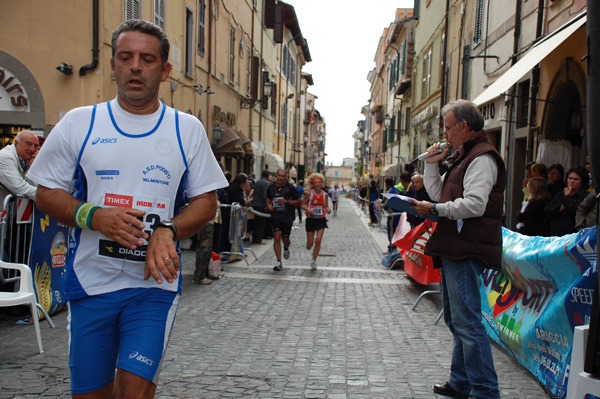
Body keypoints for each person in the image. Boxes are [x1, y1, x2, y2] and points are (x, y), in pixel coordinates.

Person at [27, 20, 228, 399]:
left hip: (153, 286)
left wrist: (167, 229)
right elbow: (46, 194)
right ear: (114, 64)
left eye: (147, 59)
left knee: (134, 392)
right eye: (126, 57)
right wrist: (94, 216)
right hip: (91, 282)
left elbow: (206, 202)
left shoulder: (187, 129)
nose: (136, 66)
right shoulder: (79, 123)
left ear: (165, 70)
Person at [411, 99, 505, 399]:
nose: (445, 133)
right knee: (457, 319)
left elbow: (475, 205)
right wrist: (431, 164)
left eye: (448, 127)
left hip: (467, 246)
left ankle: (485, 390)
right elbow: (439, 192)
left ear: (465, 126)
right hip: (456, 245)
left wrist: (436, 209)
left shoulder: (481, 158)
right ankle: (462, 381)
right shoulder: (464, 156)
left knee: (467, 321)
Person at [266, 169, 302, 270]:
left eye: (283, 176)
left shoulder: (290, 188)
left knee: (285, 239)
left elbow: (299, 201)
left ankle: (286, 247)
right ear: (276, 176)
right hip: (276, 216)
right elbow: (268, 198)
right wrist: (268, 205)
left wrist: (286, 202)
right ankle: (278, 262)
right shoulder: (271, 188)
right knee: (277, 236)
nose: (281, 178)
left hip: (287, 217)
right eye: (279, 176)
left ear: (285, 177)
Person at [544, 166, 589, 236]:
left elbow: (576, 211)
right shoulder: (560, 193)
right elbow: (547, 210)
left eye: (576, 179)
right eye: (570, 178)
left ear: (582, 182)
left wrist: (567, 197)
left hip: (573, 233)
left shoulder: (585, 195)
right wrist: (560, 208)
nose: (572, 181)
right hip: (556, 233)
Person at [301, 173, 331, 270]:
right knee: (311, 244)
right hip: (310, 220)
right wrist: (308, 210)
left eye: (319, 182)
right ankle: (309, 244)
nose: (318, 184)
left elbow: (326, 206)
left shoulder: (325, 195)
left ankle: (314, 261)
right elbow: (301, 204)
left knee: (318, 240)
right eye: (316, 183)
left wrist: (328, 209)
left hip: (321, 220)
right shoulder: (310, 194)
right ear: (313, 184)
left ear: (321, 183)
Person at [0, 130, 39, 202]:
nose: (32, 149)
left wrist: (33, 167)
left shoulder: (26, 159)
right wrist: (48, 197)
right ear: (16, 143)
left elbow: (35, 185)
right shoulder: (5, 157)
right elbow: (19, 188)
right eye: (28, 144)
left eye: (36, 146)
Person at [250, 169, 270, 244]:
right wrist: (266, 204)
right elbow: (265, 194)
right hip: (261, 205)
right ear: (268, 175)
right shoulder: (266, 183)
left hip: (255, 204)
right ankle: (258, 239)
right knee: (261, 223)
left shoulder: (257, 182)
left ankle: (255, 239)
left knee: (256, 223)